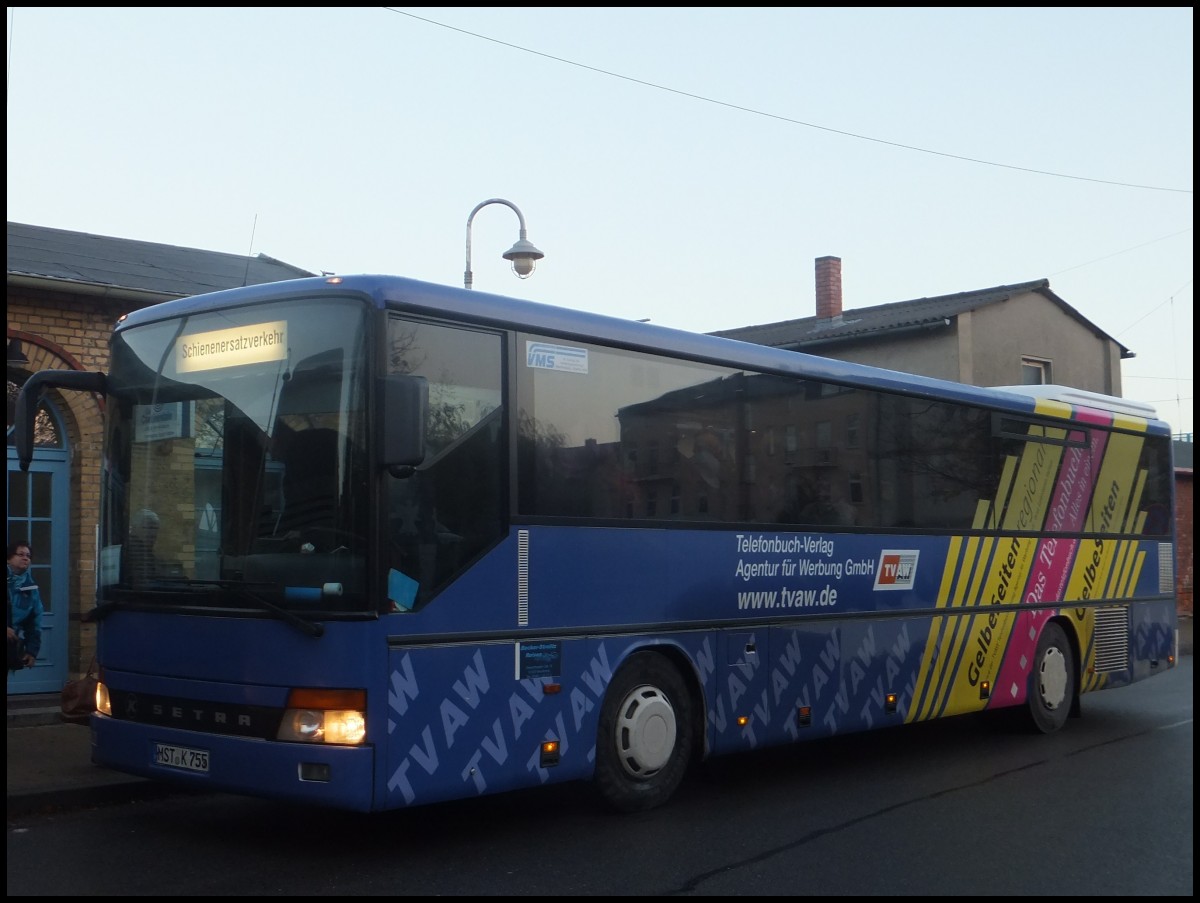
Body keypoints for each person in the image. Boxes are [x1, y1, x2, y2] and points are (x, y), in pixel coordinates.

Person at [7, 540, 43, 672]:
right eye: (21, 554)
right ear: (8, 559)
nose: (25, 558)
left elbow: (35, 622)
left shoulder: (30, 587)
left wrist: (31, 651)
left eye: (28, 556)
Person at [124, 508, 162, 584]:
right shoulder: (130, 552)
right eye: (148, 528)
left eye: (155, 529)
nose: (153, 533)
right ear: (135, 527)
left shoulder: (146, 552)